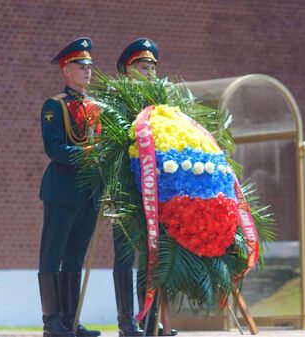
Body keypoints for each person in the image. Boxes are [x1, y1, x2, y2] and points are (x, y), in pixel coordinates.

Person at [112, 38, 177, 337]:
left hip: (156, 189)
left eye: (152, 66)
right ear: (128, 70)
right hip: (127, 186)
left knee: (153, 255)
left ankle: (151, 322)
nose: (150, 71)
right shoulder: (117, 102)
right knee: (126, 257)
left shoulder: (162, 105)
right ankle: (128, 322)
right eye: (142, 66)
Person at [38, 37, 102, 337]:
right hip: (62, 191)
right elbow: (55, 149)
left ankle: (70, 321)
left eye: (89, 66)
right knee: (53, 255)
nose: (87, 71)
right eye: (80, 66)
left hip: (89, 195)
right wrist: (89, 154)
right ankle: (52, 322)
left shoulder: (96, 107)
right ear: (66, 71)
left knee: (75, 258)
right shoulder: (55, 106)